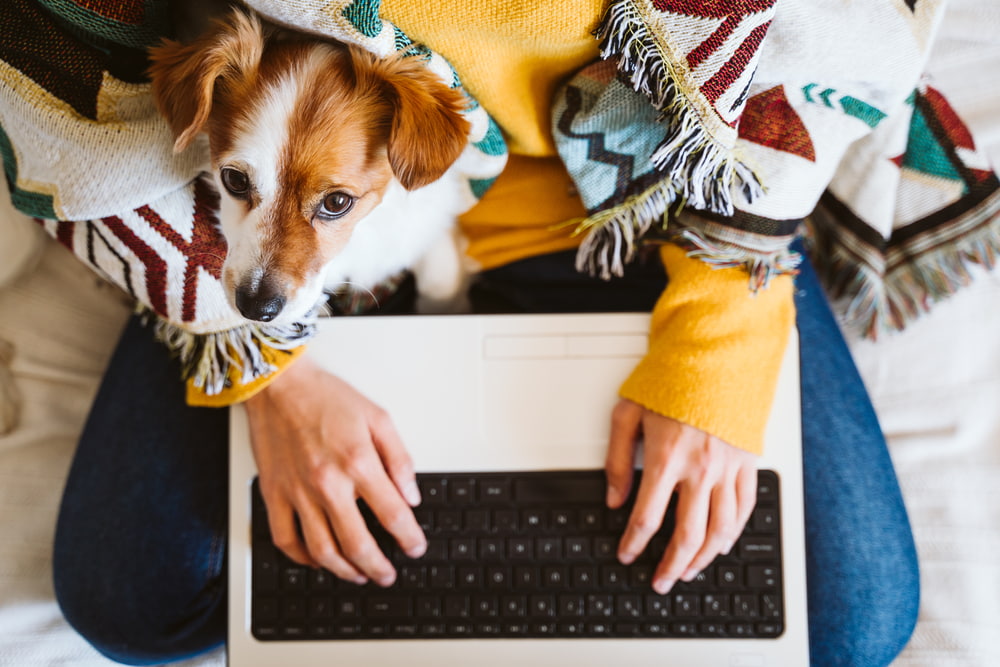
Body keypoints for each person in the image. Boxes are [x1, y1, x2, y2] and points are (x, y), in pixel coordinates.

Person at [12, 0, 997, 664]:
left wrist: (714, 359)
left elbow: (812, 51)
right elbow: (66, 61)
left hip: (638, 203)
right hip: (306, 239)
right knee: (127, 596)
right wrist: (271, 375)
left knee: (852, 617)